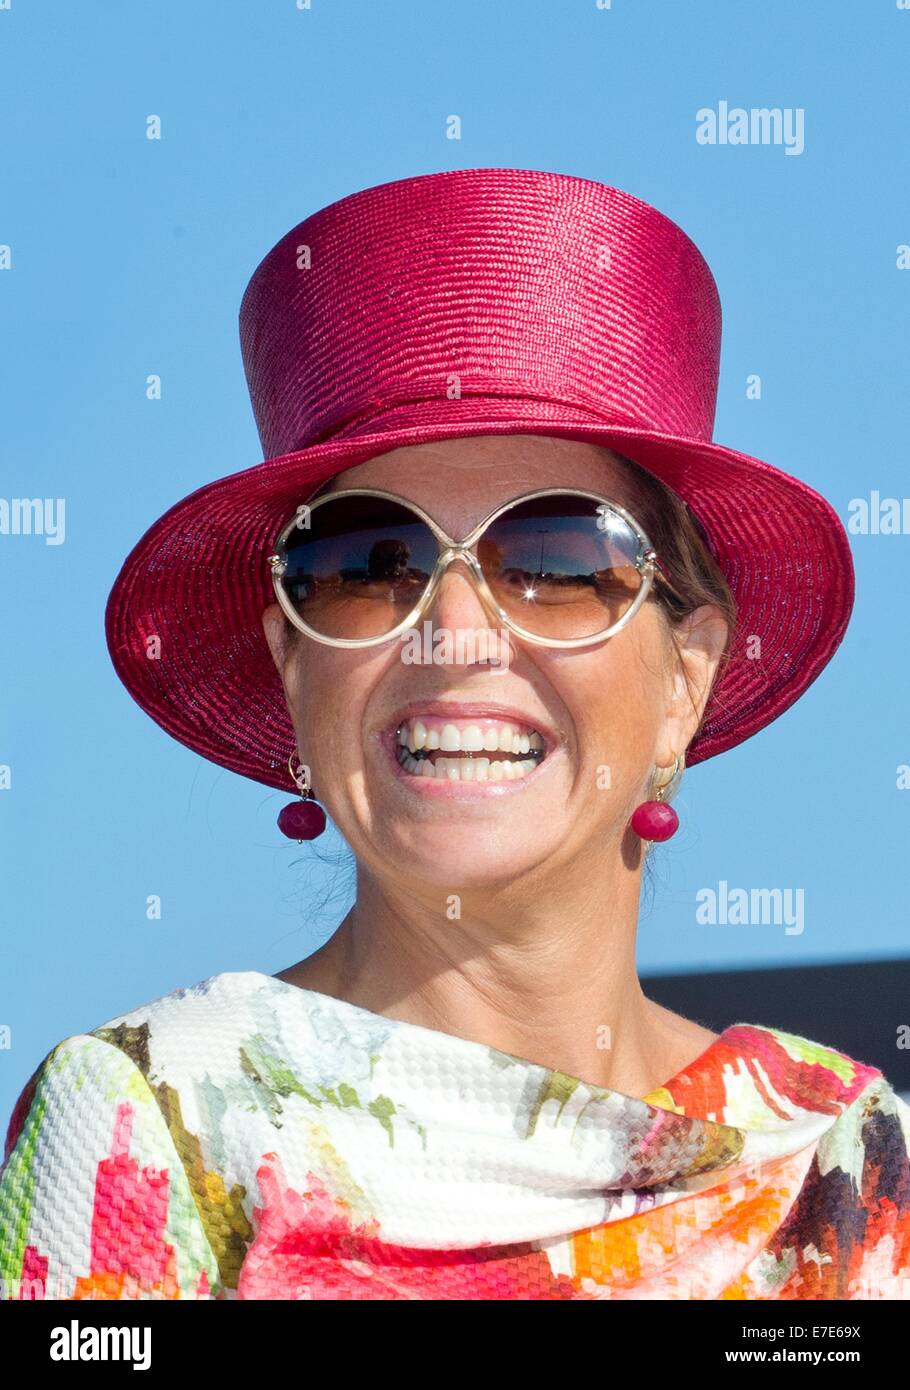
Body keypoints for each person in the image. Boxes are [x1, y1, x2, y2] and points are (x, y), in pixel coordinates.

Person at [2, 168, 908, 1301]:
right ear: (294, 670)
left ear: (686, 677)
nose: (455, 633)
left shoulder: (842, 1157)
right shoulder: (156, 1120)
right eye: (364, 567)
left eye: (562, 562)